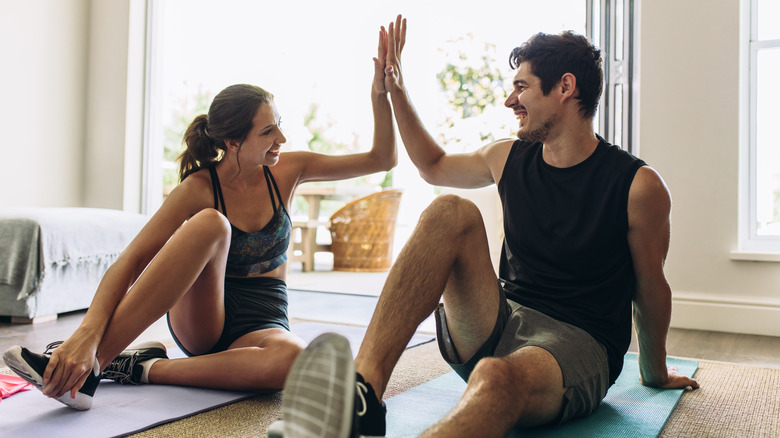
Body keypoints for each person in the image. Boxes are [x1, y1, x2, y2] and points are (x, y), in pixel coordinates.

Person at [278, 15, 699, 438]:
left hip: (577, 344)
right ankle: (362, 397)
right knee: (449, 211)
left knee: (498, 380)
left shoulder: (638, 185)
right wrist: (397, 92)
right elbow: (433, 166)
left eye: (522, 87)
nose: (509, 100)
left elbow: (650, 285)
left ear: (565, 87)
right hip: (497, 318)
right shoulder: (508, 157)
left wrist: (655, 372)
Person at [2, 29, 397, 411]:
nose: (282, 137)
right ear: (232, 142)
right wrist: (87, 332)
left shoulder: (289, 170)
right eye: (268, 130)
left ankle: (140, 368)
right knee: (212, 224)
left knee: (295, 359)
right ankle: (91, 366)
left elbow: (382, 158)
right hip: (205, 317)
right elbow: (132, 260)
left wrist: (382, 93)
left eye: (280, 123)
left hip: (264, 319)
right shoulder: (198, 188)